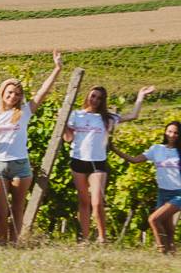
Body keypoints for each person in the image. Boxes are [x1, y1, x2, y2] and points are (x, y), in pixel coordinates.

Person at [0, 54, 65, 246]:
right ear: (2, 92)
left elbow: (42, 93)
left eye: (16, 93)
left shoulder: (24, 112)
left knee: (17, 208)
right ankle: (2, 240)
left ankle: (13, 243)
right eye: (10, 92)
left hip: (20, 165)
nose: (13, 96)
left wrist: (57, 69)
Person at [63, 83, 155, 243]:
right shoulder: (76, 115)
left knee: (97, 202)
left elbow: (133, 116)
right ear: (87, 96)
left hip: (98, 163)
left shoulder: (108, 118)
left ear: (103, 100)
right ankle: (84, 239)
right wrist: (64, 125)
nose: (95, 100)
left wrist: (140, 96)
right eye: (93, 96)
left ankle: (102, 238)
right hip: (78, 161)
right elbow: (68, 138)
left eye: (99, 98)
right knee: (83, 202)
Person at [128, 121, 181, 254]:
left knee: (154, 219)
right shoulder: (156, 149)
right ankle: (171, 253)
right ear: (165, 132)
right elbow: (135, 160)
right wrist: (114, 149)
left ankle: (161, 249)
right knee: (168, 230)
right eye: (170, 131)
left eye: (176, 132)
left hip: (178, 193)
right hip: (163, 193)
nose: (172, 135)